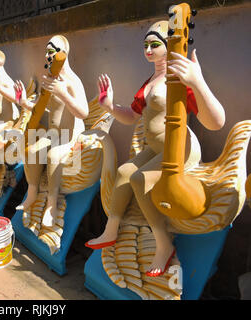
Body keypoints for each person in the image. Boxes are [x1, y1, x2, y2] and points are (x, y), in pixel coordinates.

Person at [86, 21, 225, 277]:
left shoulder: (178, 75)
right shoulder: (151, 80)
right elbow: (132, 116)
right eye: (146, 45)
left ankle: (163, 244)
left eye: (155, 45)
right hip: (154, 148)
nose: (148, 50)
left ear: (168, 45)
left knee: (139, 179)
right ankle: (112, 228)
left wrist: (197, 81)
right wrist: (109, 106)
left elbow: (216, 122)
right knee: (125, 171)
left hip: (179, 149)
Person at [14, 35, 89, 227]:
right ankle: (31, 192)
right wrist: (24, 103)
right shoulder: (49, 78)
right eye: (47, 51)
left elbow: (83, 112)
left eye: (53, 51)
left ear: (64, 53)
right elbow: (41, 106)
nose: (48, 55)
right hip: (54, 135)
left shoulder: (72, 81)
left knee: (54, 155)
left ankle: (51, 205)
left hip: (71, 137)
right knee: (31, 150)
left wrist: (63, 93)